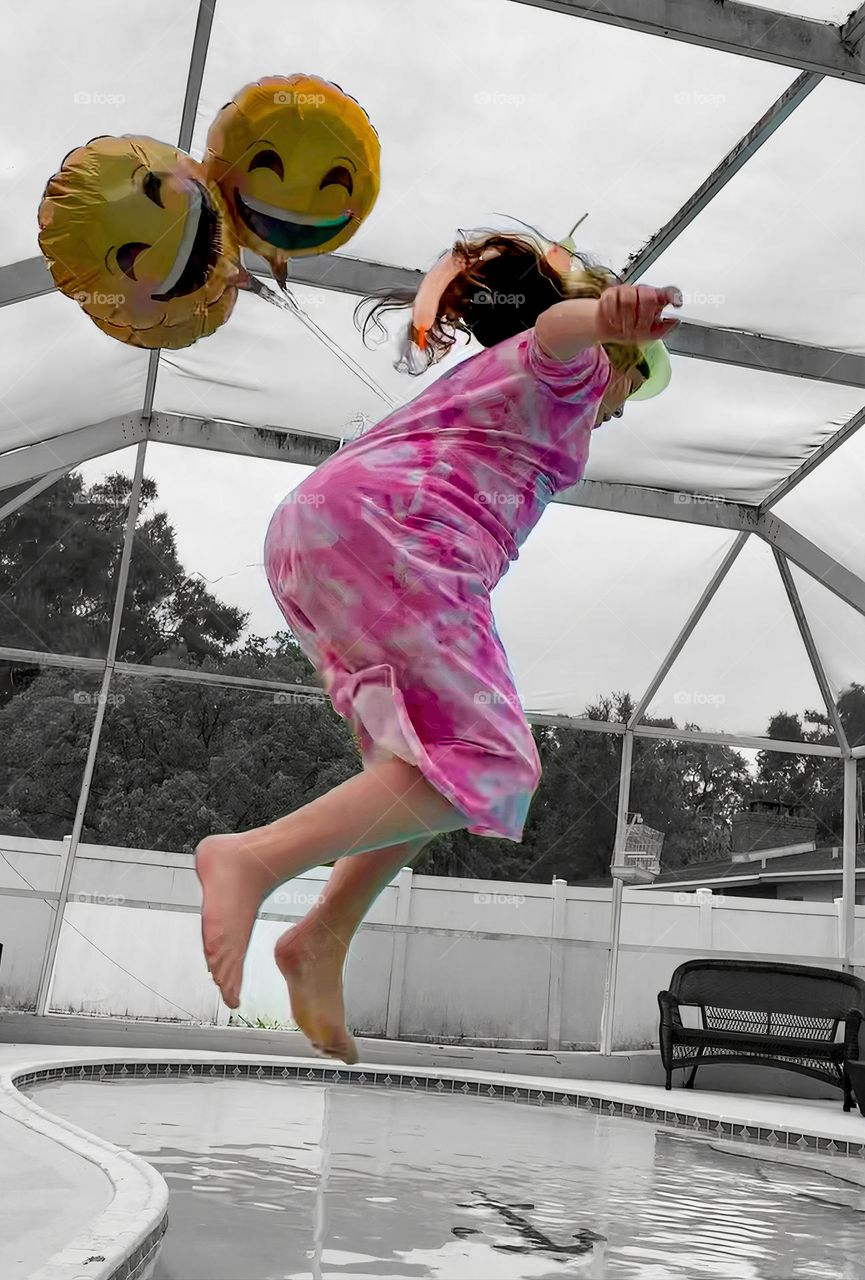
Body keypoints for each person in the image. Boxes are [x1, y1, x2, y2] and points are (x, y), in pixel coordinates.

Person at [196, 230, 682, 1062]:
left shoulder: (499, 386)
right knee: (494, 765)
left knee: (423, 772)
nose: (620, 407)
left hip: (324, 538)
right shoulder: (570, 367)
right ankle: (250, 860)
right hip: (400, 538)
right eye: (632, 388)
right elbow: (559, 336)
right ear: (620, 359)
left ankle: (320, 940)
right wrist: (604, 319)